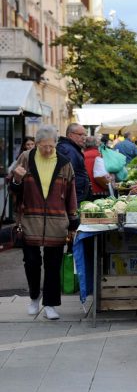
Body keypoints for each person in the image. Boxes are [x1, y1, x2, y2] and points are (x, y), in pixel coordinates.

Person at [11, 124, 79, 320]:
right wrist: (16, 179)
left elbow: (71, 195)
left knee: (53, 264)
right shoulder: (26, 158)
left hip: (57, 222)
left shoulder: (65, 163)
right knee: (31, 262)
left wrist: (73, 223)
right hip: (30, 219)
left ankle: (50, 304)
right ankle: (34, 297)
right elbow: (14, 190)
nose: (48, 150)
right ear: (37, 144)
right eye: (43, 146)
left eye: (51, 146)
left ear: (55, 144)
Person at [56, 122, 90, 205]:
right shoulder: (68, 150)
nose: (84, 138)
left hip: (76, 195)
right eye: (80, 135)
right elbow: (68, 175)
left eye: (85, 135)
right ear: (70, 135)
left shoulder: (71, 148)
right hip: (73, 197)